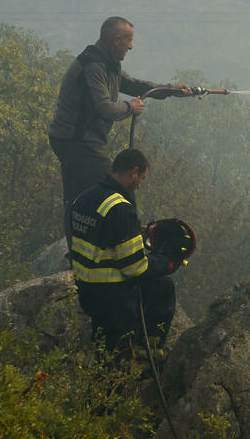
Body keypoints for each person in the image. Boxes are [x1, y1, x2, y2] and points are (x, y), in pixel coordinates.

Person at [48, 16, 190, 242]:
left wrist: (171, 89)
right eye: (129, 41)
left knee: (76, 197)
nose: (131, 47)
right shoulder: (94, 66)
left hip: (71, 141)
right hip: (75, 143)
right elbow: (105, 108)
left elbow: (134, 85)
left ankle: (78, 252)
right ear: (116, 39)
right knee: (120, 185)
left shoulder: (108, 64)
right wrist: (130, 107)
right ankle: (131, 244)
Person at [69, 148, 181, 356]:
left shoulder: (84, 198)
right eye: (141, 179)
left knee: (103, 354)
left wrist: (132, 232)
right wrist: (167, 263)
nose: (139, 185)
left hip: (86, 291)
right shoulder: (121, 207)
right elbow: (134, 267)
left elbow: (99, 237)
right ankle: (149, 349)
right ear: (134, 172)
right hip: (111, 297)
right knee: (164, 286)